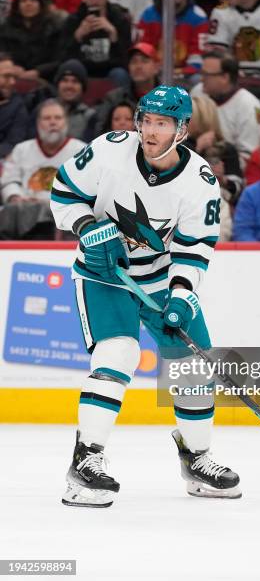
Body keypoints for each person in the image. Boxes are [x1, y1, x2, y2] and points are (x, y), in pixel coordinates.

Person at [50, 85, 241, 507]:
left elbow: (195, 248)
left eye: (162, 123)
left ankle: (197, 459)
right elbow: (63, 192)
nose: (150, 131)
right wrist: (86, 227)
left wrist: (180, 294)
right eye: (146, 121)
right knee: (118, 353)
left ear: (183, 130)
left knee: (193, 365)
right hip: (104, 275)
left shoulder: (200, 181)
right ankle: (86, 462)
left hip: (159, 277)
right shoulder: (109, 150)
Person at [0, 99, 84, 238]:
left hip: (64, 213)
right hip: (25, 212)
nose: (53, 122)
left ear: (66, 122)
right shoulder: (22, 149)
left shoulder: (81, 150)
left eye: (58, 118)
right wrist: (16, 197)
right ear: (38, 123)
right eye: (47, 118)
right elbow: (9, 181)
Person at [191, 51, 260, 169]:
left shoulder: (249, 105)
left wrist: (218, 169)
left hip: (230, 174)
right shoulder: (197, 92)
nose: (201, 79)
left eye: (206, 75)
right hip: (193, 161)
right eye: (201, 73)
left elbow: (249, 157)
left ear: (225, 77)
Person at [59, 0, 131, 81]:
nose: (95, 0)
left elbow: (126, 60)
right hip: (82, 72)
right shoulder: (74, 20)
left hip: (110, 71)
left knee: (120, 74)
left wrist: (114, 35)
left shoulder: (119, 18)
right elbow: (62, 59)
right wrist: (77, 37)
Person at [137, 0, 208, 79]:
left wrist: (180, 73)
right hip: (155, 74)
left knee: (197, 79)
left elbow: (198, 58)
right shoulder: (148, 16)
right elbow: (143, 53)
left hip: (187, 76)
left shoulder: (198, 17)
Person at [92, 42, 160, 136]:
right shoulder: (114, 98)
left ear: (156, 67)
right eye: (134, 62)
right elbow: (100, 131)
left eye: (144, 61)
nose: (138, 66)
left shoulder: (168, 98)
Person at [187, 95, 243, 205]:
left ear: (202, 118)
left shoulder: (226, 149)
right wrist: (198, 149)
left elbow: (238, 189)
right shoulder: (181, 146)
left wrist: (223, 180)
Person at [0, 0, 62, 82]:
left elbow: (59, 60)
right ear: (17, 5)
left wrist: (38, 71)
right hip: (13, 78)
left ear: (40, 4)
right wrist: (13, 67)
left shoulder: (53, 28)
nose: (28, 4)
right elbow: (2, 54)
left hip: (46, 79)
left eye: (33, 0)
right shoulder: (5, 29)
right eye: (23, 0)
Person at [54, 59, 96, 142]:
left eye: (75, 81)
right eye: (65, 80)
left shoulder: (90, 116)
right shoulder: (43, 110)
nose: (69, 86)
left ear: (82, 87)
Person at [0, 52, 29, 160]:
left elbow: (14, 144)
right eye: (6, 76)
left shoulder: (18, 106)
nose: (12, 82)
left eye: (14, 77)